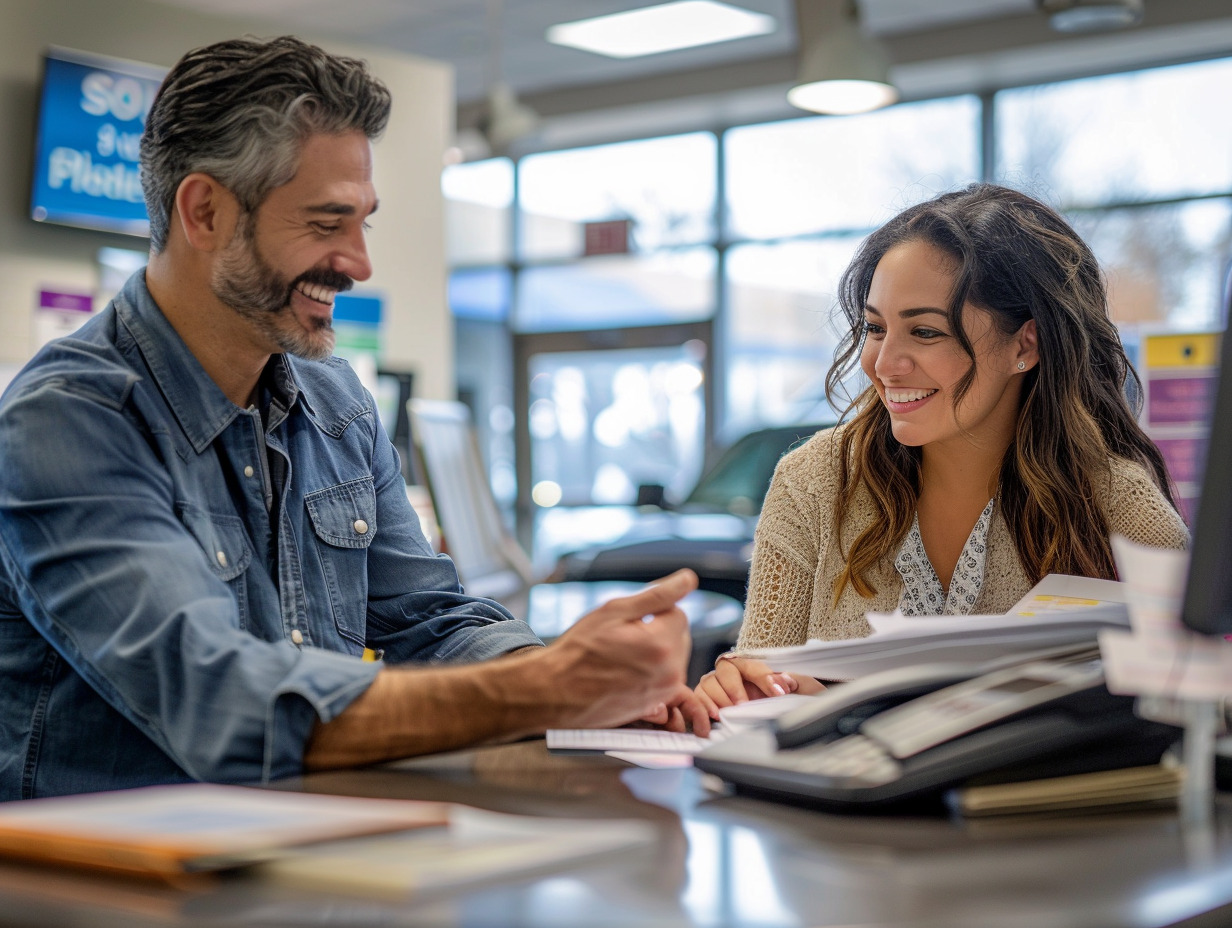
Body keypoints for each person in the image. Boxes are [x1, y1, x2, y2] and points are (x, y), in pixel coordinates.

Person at [0, 35, 706, 802]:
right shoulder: (66, 422)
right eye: (326, 222)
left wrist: (594, 683)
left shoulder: (334, 404)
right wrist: (543, 691)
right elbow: (222, 707)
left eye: (363, 222)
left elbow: (429, 621)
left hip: (307, 851)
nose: (359, 262)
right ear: (204, 211)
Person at [695, 183, 1188, 718]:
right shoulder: (812, 482)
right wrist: (745, 692)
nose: (885, 364)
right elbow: (757, 686)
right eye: (876, 328)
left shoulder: (1111, 496)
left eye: (926, 332)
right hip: (835, 799)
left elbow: (1201, 695)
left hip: (1031, 801)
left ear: (1025, 344)